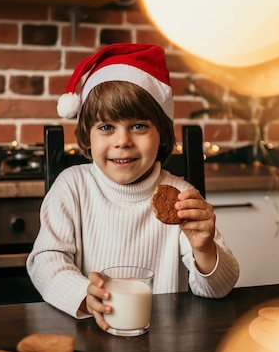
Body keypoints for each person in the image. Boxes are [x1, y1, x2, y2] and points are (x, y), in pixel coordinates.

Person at [26, 43, 239, 331]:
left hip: (164, 339)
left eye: (138, 126)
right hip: (89, 332)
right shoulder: (71, 188)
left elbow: (219, 288)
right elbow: (46, 261)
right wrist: (83, 296)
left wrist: (205, 249)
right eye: (106, 127)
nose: (122, 140)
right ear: (87, 138)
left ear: (162, 136)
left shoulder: (182, 196)